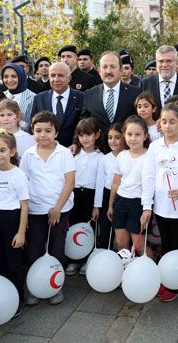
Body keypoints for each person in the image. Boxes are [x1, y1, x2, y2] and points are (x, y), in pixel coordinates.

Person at [20, 111, 75, 305]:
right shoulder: (28, 154)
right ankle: (35, 287)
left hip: (59, 209)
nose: (43, 135)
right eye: (38, 131)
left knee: (56, 249)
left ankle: (54, 287)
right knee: (34, 250)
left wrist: (57, 208)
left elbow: (69, 182)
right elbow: (24, 183)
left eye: (48, 131)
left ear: (56, 133)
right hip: (35, 209)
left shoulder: (64, 153)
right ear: (33, 132)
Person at [147, 103, 178, 302]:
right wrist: (147, 203)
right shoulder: (154, 146)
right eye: (164, 122)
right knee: (167, 245)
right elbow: (149, 176)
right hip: (161, 207)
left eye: (172, 122)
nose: (167, 126)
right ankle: (169, 278)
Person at [0, 131, 28, 316]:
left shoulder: (18, 174)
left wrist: (21, 232)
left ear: (12, 151)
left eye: (2, 150)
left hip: (11, 218)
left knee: (14, 261)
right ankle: (5, 296)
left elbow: (24, 206)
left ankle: (18, 296)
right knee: (1, 259)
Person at [107, 116, 154, 257]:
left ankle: (153, 273)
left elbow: (149, 186)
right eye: (129, 134)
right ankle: (126, 273)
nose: (133, 138)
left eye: (137, 134)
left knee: (139, 245)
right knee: (121, 243)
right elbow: (116, 182)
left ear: (145, 136)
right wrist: (111, 205)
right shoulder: (122, 156)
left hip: (138, 204)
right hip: (121, 201)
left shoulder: (149, 157)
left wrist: (147, 209)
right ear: (124, 135)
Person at [65, 117, 102, 276]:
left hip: (90, 195)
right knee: (73, 226)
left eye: (89, 134)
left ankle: (87, 259)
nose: (85, 139)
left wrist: (97, 205)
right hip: (73, 195)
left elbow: (100, 183)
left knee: (89, 229)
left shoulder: (101, 157)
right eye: (81, 135)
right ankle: (74, 259)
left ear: (97, 135)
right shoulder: (72, 154)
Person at [81, 52, 140, 147]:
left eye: (113, 67)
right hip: (98, 151)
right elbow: (83, 123)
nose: (108, 71)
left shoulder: (136, 93)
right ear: (99, 71)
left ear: (121, 70)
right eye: (104, 67)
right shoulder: (89, 94)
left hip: (127, 151)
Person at [140, 45, 178, 126]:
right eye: (161, 61)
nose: (164, 65)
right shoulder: (145, 84)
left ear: (176, 63)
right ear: (156, 64)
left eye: (169, 61)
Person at [30, 62, 85, 147]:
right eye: (52, 75)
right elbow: (33, 125)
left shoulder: (81, 97)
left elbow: (84, 126)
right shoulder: (39, 98)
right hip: (46, 150)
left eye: (60, 75)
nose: (56, 79)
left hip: (73, 150)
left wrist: (76, 144)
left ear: (69, 78)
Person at [93, 122, 126, 252]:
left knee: (121, 233)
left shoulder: (129, 156)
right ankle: (103, 258)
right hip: (106, 198)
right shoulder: (104, 159)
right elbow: (100, 184)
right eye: (110, 137)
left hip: (123, 196)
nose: (113, 141)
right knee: (105, 231)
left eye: (117, 137)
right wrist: (97, 206)